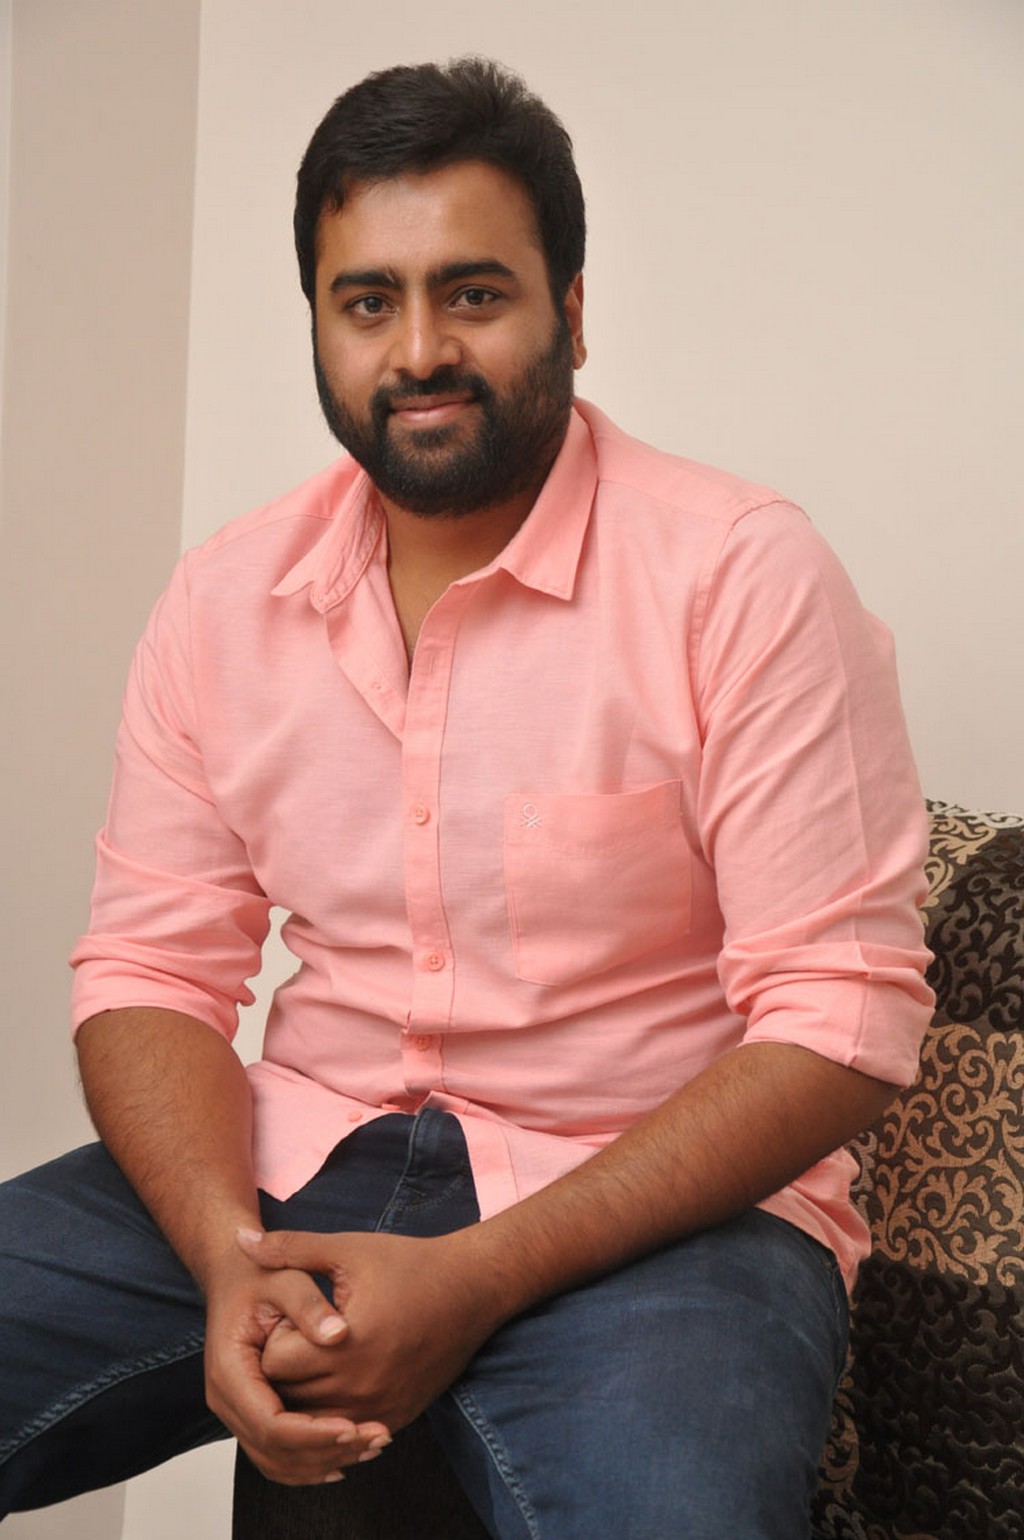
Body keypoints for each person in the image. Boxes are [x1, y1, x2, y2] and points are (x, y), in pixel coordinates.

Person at [0, 58, 933, 1538]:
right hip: (294, 1162)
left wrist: (478, 1274)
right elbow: (150, 975)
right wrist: (227, 1252)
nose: (420, 349)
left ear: (573, 308)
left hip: (658, 1213)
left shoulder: (739, 578)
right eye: (368, 301)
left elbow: (841, 1021)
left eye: (474, 294)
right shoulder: (223, 601)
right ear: (317, 323)